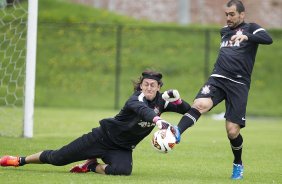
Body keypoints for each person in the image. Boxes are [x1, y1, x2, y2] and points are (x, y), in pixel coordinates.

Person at [0, 70, 189, 175]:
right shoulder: (136, 99)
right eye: (145, 84)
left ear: (158, 87)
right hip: (101, 138)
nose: (148, 87)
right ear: (141, 85)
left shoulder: (161, 101)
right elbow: (143, 111)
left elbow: (187, 111)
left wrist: (177, 100)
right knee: (58, 159)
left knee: (122, 171)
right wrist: (159, 121)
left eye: (153, 85)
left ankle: (90, 166)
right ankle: (20, 160)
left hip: (122, 148)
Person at [175, 0, 273, 180]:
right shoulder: (224, 31)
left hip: (239, 84)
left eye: (232, 14)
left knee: (232, 131)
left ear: (242, 14)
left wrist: (247, 37)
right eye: (226, 14)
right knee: (200, 104)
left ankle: (238, 163)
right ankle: (177, 132)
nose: (228, 18)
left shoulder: (252, 28)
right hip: (218, 78)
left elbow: (268, 39)